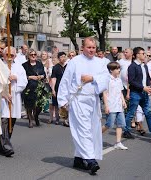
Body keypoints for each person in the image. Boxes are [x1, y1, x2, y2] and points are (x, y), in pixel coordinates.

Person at [57, 37, 109, 175]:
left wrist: (92, 78)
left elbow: (105, 79)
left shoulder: (100, 62)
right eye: (89, 47)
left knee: (92, 130)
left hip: (93, 100)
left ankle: (78, 158)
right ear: (83, 48)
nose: (91, 50)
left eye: (93, 47)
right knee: (84, 129)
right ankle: (90, 160)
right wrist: (62, 101)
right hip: (78, 100)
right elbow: (66, 81)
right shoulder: (75, 62)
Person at [123, 47, 151, 141]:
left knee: (148, 113)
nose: (145, 55)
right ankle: (126, 131)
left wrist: (149, 86)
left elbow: (147, 78)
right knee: (131, 113)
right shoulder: (132, 66)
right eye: (143, 53)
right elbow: (131, 81)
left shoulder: (144, 66)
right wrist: (143, 87)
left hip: (144, 93)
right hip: (135, 93)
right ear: (137, 55)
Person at [0, 46, 27, 157]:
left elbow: (24, 82)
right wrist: (6, 83)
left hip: (14, 95)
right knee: (4, 121)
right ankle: (7, 146)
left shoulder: (19, 67)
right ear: (4, 55)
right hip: (2, 97)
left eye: (12, 55)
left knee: (12, 121)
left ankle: (2, 145)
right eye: (7, 55)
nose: (9, 58)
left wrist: (16, 79)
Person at [102, 62, 128, 150]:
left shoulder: (119, 80)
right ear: (111, 70)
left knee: (120, 124)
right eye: (116, 69)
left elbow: (120, 92)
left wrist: (123, 101)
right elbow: (104, 93)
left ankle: (118, 142)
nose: (119, 70)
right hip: (111, 105)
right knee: (109, 124)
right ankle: (95, 137)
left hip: (119, 105)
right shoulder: (107, 80)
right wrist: (106, 106)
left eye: (119, 68)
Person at [22, 49, 46, 128]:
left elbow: (44, 74)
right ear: (28, 56)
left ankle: (36, 116)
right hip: (29, 87)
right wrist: (30, 77)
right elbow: (22, 76)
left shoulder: (39, 64)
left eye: (34, 54)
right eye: (31, 54)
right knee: (29, 105)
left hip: (38, 87)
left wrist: (40, 76)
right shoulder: (24, 65)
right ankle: (30, 120)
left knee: (39, 105)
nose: (33, 56)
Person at [50, 52, 67, 125]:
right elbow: (53, 78)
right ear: (58, 58)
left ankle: (65, 119)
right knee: (56, 104)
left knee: (65, 104)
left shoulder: (68, 66)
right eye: (61, 57)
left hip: (66, 88)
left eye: (64, 56)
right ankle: (57, 118)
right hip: (58, 87)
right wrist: (53, 89)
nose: (63, 58)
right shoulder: (55, 67)